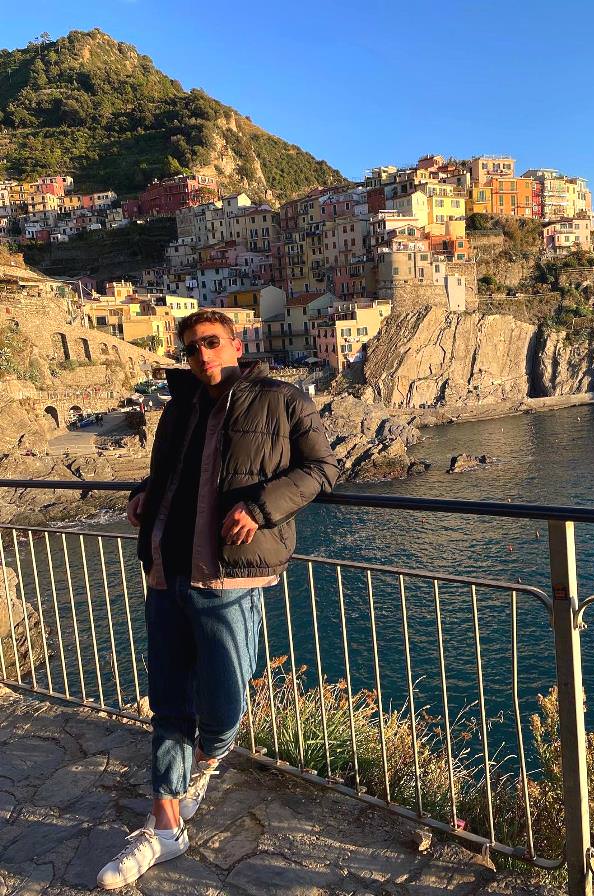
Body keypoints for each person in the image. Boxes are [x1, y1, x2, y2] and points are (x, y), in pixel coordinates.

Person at [96, 310, 338, 889]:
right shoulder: (178, 407)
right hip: (164, 568)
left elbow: (324, 468)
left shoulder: (282, 400)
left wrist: (260, 509)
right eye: (191, 348)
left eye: (211, 343)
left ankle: (205, 762)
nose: (201, 355)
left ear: (235, 344)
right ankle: (163, 826)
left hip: (227, 577)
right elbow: (168, 476)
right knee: (169, 699)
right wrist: (144, 496)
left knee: (226, 703)